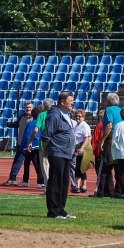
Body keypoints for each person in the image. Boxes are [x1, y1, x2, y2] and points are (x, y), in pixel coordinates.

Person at [42, 91, 76, 219]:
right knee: (55, 182)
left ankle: (61, 209)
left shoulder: (65, 114)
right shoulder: (55, 115)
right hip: (57, 152)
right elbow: (46, 136)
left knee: (63, 182)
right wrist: (46, 150)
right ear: (62, 102)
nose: (73, 102)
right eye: (70, 100)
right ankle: (53, 211)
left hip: (66, 153)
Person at [4, 101, 33, 186]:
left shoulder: (34, 118)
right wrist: (9, 124)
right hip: (22, 144)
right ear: (24, 108)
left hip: (32, 145)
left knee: (36, 163)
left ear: (32, 108)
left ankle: (41, 181)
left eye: (30, 107)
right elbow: (16, 124)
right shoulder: (22, 117)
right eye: (27, 107)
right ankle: (12, 179)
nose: (28, 109)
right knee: (17, 162)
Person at [98, 93, 122, 198]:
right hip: (120, 138)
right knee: (118, 167)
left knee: (105, 165)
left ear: (108, 101)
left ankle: (100, 191)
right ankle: (118, 192)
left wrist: (102, 140)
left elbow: (109, 126)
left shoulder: (108, 110)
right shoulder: (120, 110)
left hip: (111, 137)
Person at [20, 104, 44, 187]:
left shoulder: (31, 124)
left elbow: (26, 135)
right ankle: (41, 182)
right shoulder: (41, 123)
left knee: (27, 163)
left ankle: (25, 180)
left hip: (31, 146)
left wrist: (24, 146)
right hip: (39, 146)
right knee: (39, 164)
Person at [34, 98, 54, 190]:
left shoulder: (41, 115)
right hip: (55, 143)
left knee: (45, 166)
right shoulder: (56, 114)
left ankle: (48, 187)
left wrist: (30, 141)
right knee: (54, 166)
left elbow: (36, 129)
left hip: (44, 143)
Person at [71, 109, 92, 193]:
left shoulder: (84, 125)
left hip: (81, 147)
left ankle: (77, 186)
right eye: (76, 116)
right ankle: (83, 186)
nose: (77, 118)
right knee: (81, 167)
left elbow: (87, 137)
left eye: (79, 116)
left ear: (83, 117)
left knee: (78, 167)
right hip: (76, 147)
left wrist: (82, 148)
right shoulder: (76, 125)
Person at [88, 110, 105, 198]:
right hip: (105, 151)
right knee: (105, 173)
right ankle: (105, 190)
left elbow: (95, 139)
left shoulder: (99, 125)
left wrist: (93, 151)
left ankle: (99, 191)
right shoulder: (107, 126)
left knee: (99, 173)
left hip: (99, 152)